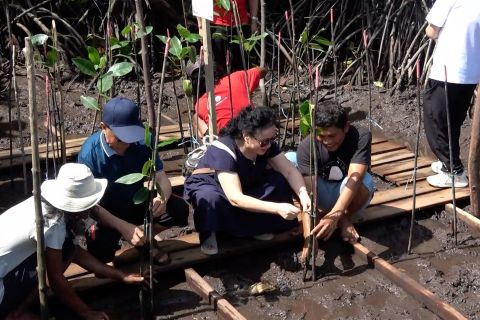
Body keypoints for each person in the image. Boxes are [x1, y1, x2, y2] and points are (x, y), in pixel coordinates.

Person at [0, 163, 144, 320]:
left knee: (66, 249)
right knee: (62, 254)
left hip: (7, 269)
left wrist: (121, 276)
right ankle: (14, 314)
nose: (93, 208)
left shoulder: (40, 204)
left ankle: (17, 309)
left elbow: (76, 253)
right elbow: (55, 278)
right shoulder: (53, 223)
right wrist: (86, 312)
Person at [184, 106, 311, 255]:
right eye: (264, 141)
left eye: (272, 139)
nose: (269, 145)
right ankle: (211, 232)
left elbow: (289, 171)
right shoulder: (224, 150)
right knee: (211, 198)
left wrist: (303, 193)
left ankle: (253, 228)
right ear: (246, 136)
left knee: (277, 181)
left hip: (246, 182)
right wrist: (277, 208)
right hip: (215, 185)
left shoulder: (265, 145)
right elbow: (235, 198)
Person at [78, 96, 189, 264]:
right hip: (105, 211)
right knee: (101, 253)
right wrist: (123, 227)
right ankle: (132, 237)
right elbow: (92, 206)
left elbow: (160, 176)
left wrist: (162, 198)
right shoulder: (90, 155)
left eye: (131, 136)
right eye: (121, 138)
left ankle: (145, 239)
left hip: (135, 200)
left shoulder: (144, 141)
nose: (127, 143)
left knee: (178, 209)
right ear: (103, 128)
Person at [288, 101, 374, 260]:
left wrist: (336, 215)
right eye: (321, 136)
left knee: (365, 179)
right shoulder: (307, 147)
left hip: (347, 195)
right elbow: (309, 194)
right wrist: (309, 236)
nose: (327, 141)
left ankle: (345, 218)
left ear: (346, 127)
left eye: (332, 135)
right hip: (321, 193)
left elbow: (356, 178)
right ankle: (321, 217)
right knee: (289, 160)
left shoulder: (360, 136)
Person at [423, 0, 480, 188]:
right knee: (453, 120)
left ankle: (454, 171)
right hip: (471, 74)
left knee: (436, 119)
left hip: (448, 70)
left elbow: (431, 31)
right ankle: (447, 161)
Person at [188, 65, 267, 139]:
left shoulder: (199, 104)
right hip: (256, 131)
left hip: (227, 141)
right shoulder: (236, 78)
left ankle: (209, 144)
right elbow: (262, 70)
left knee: (196, 118)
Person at [197, 0, 259, 74]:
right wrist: (200, 26)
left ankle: (240, 84)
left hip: (241, 23)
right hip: (217, 23)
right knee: (218, 65)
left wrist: (254, 20)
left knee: (242, 65)